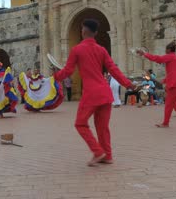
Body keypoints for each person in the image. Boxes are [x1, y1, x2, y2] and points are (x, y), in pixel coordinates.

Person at [53, 20, 134, 166]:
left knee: (80, 124)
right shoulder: (101, 50)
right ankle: (107, 156)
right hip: (105, 92)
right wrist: (128, 84)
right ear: (96, 33)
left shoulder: (77, 50)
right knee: (102, 128)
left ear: (83, 31)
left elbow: (68, 71)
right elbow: (113, 69)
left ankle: (97, 152)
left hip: (91, 93)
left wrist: (55, 77)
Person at [137, 40, 176, 128]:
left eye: (166, 50)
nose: (165, 51)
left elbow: (157, 59)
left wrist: (145, 54)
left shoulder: (170, 56)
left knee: (169, 104)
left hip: (175, 85)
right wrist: (164, 80)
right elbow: (174, 72)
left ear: (169, 50)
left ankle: (166, 123)